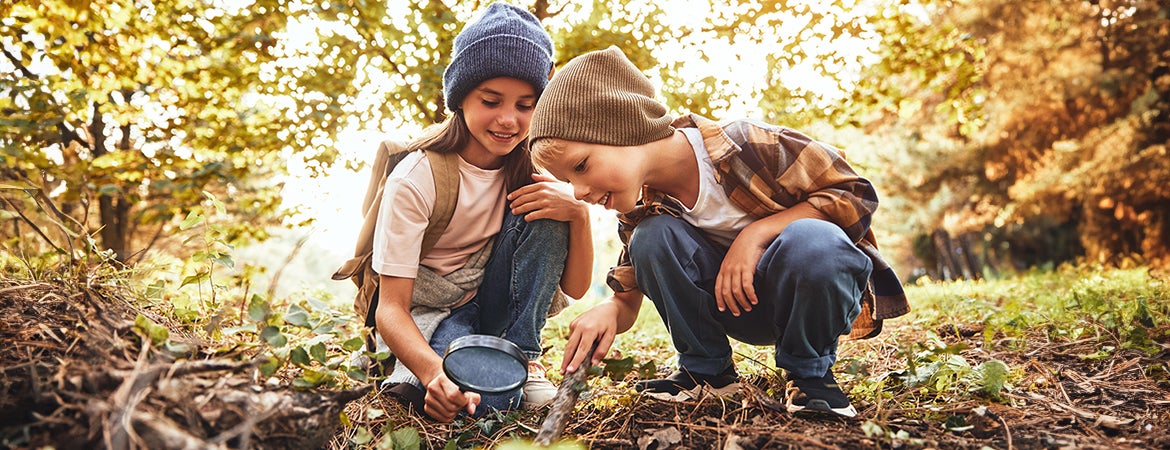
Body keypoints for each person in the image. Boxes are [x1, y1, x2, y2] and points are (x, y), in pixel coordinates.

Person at [527, 47, 909, 418]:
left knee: (814, 239)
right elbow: (627, 299)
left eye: (581, 166)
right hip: (736, 309)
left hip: (807, 297)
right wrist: (610, 311)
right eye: (568, 180)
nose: (578, 192)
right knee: (652, 236)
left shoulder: (748, 144)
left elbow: (853, 194)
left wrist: (755, 235)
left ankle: (810, 377)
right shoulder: (641, 211)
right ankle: (707, 372)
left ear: (623, 128)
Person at [371, 3, 592, 423]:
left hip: (492, 301)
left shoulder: (532, 171)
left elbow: (576, 288)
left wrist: (578, 213)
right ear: (460, 97)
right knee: (478, 404)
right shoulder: (416, 178)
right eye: (491, 101)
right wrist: (433, 374)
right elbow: (391, 308)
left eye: (525, 105)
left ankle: (523, 357)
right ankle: (441, 363)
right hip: (431, 312)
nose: (508, 120)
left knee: (549, 207)